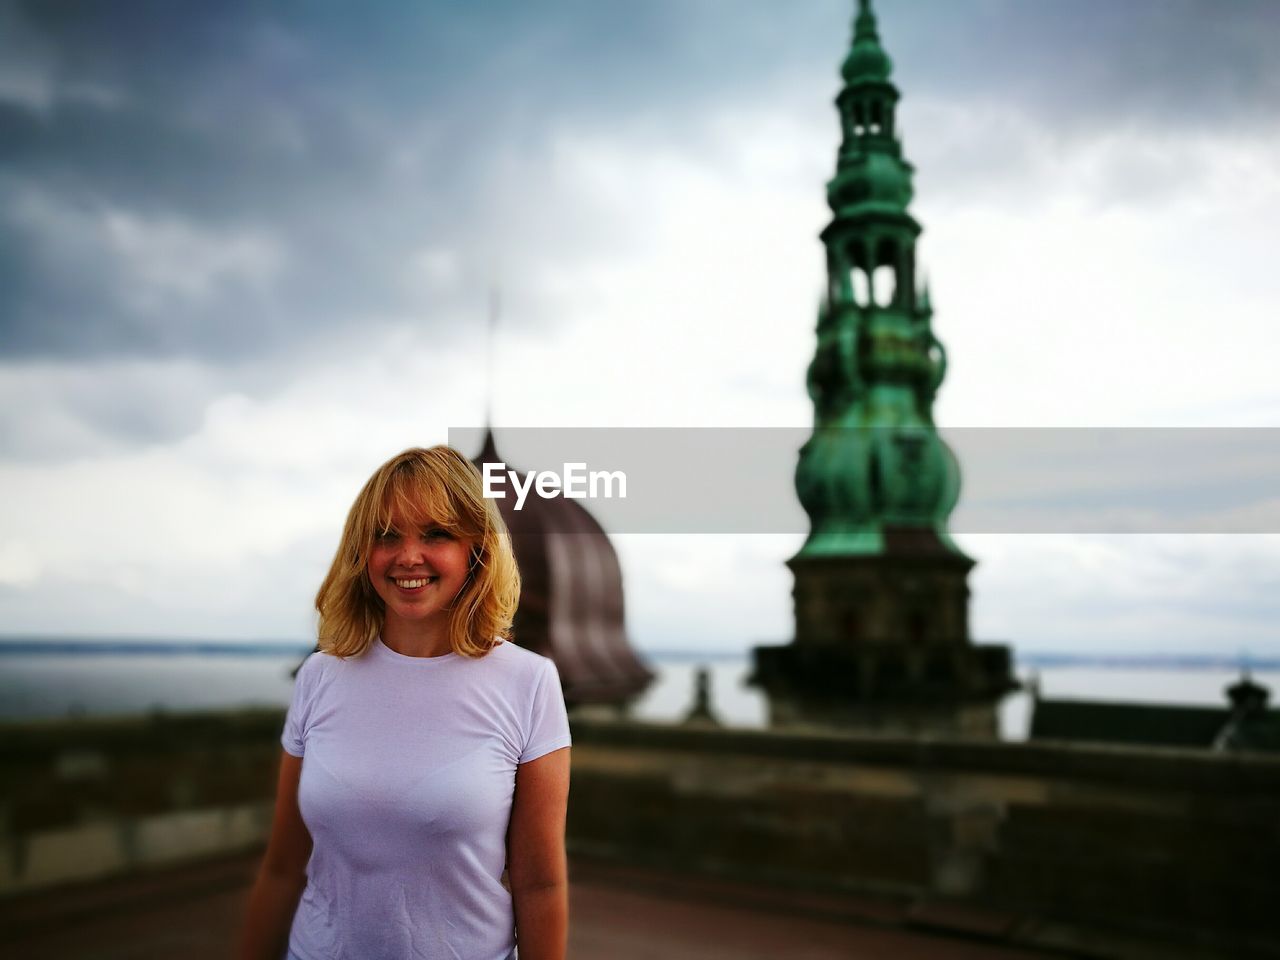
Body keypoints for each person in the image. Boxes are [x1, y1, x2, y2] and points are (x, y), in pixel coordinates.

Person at [237, 446, 572, 960]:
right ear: (361, 551)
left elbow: (541, 886)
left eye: (436, 534)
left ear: (476, 550)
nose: (407, 556)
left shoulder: (528, 682)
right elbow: (282, 869)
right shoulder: (319, 676)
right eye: (386, 535)